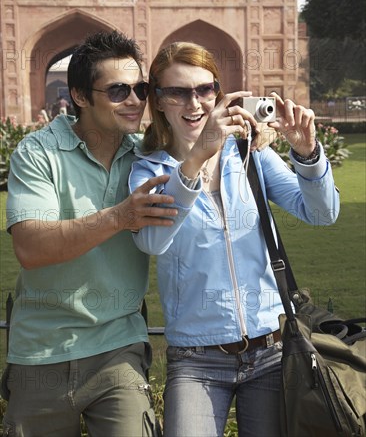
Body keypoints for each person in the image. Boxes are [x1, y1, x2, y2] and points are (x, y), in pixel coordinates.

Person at [129, 42, 340, 437]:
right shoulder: (149, 170)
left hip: (272, 349)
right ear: (158, 101)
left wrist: (308, 153)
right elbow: (151, 242)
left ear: (217, 93)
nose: (194, 103)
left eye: (204, 90)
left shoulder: (247, 154)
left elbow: (321, 212)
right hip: (197, 358)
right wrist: (194, 161)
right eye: (178, 92)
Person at [3, 30, 178, 437]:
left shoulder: (147, 156)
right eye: (118, 90)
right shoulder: (38, 153)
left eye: (140, 88)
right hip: (42, 349)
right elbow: (30, 247)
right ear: (81, 96)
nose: (135, 101)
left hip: (118, 345)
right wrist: (120, 217)